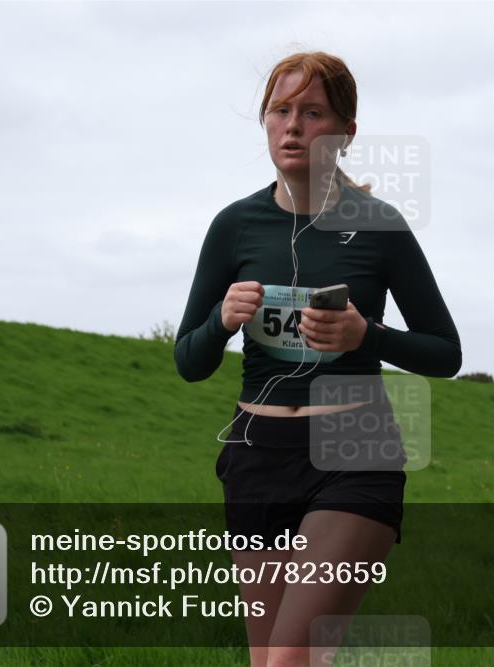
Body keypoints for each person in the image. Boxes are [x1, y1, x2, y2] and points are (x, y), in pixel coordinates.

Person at [174, 51, 461, 667]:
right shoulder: (234, 226)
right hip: (256, 456)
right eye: (281, 111)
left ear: (346, 133)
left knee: (291, 660)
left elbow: (446, 353)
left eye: (312, 112)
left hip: (354, 450)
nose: (293, 126)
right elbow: (188, 360)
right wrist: (221, 323)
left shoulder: (379, 226)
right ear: (265, 123)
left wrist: (368, 336)